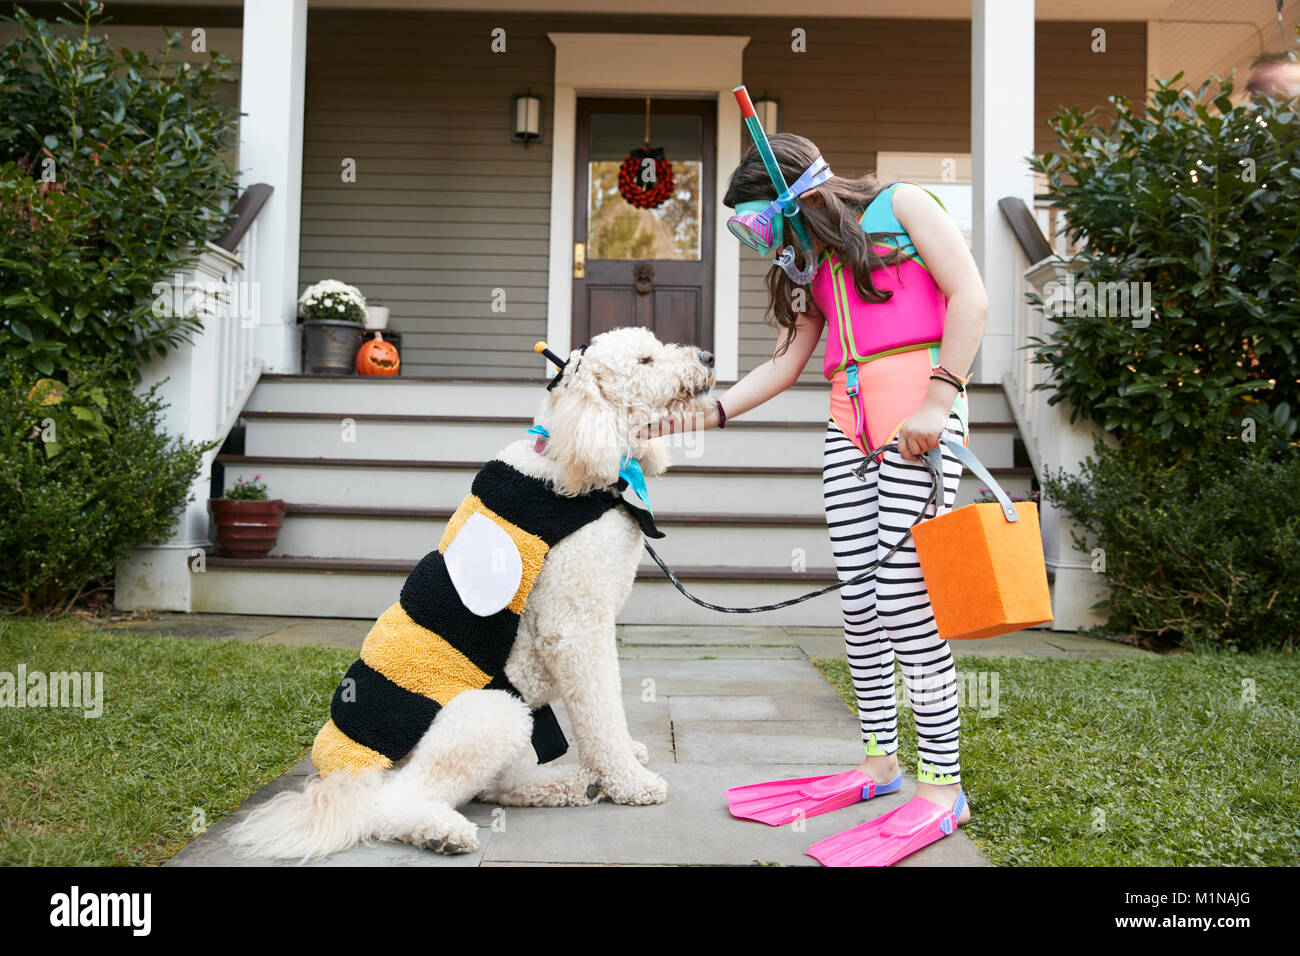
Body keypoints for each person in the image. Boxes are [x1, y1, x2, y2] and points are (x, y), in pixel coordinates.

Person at [645, 133, 989, 865]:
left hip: (920, 421)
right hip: (847, 426)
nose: (765, 241)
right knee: (859, 602)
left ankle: (942, 784)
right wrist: (707, 414)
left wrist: (939, 400)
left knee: (903, 600)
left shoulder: (905, 204)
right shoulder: (811, 267)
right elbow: (787, 361)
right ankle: (877, 761)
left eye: (762, 221)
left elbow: (973, 298)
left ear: (796, 194)